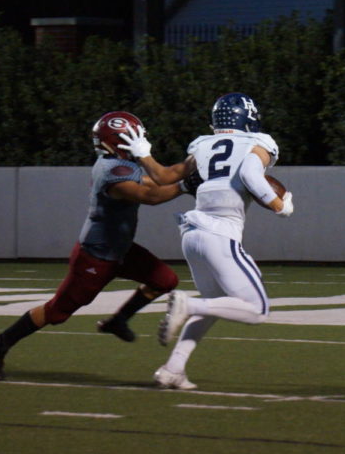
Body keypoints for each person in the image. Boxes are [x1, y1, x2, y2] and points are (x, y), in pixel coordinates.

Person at [0, 111, 198, 381]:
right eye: (136, 136)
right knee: (57, 312)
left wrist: (198, 158)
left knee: (165, 279)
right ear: (121, 140)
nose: (141, 140)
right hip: (96, 257)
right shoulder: (112, 170)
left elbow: (160, 178)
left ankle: (118, 321)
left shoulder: (120, 162)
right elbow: (150, 195)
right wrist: (186, 184)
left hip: (121, 250)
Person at [117, 92, 294, 390]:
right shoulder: (259, 141)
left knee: (215, 306)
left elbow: (164, 176)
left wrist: (143, 153)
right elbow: (251, 172)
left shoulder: (203, 145)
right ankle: (188, 304)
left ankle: (172, 369)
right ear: (249, 118)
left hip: (193, 234)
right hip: (220, 234)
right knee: (257, 309)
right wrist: (280, 206)